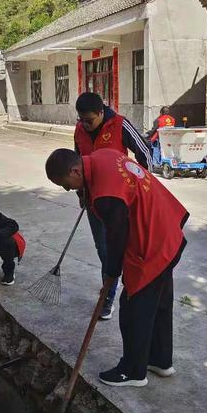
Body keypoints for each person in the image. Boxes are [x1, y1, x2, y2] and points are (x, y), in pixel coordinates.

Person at [45, 148, 188, 387]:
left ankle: (133, 371)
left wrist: (111, 273)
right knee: (160, 302)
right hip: (168, 231)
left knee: (133, 308)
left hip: (151, 244)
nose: (67, 190)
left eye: (66, 184)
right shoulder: (102, 156)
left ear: (74, 170)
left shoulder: (105, 194)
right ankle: (160, 360)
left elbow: (116, 237)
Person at [74, 92, 152, 321]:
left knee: (120, 247)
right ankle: (109, 289)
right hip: (93, 200)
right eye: (82, 121)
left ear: (101, 112)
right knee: (103, 249)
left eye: (90, 121)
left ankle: (118, 293)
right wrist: (81, 191)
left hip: (118, 201)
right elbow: (77, 163)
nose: (86, 126)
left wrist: (142, 188)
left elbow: (145, 152)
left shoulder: (120, 125)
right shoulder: (80, 130)